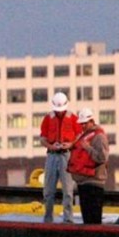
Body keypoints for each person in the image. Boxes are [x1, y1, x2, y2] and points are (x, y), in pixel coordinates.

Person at [38, 92, 80, 223]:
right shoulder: (48, 118)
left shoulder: (73, 118)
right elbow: (42, 139)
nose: (60, 112)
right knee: (48, 190)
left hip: (67, 155)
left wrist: (71, 144)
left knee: (68, 190)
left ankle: (68, 219)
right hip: (52, 155)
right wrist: (51, 146)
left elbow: (79, 136)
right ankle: (48, 219)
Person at [67, 108, 108, 224]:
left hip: (94, 183)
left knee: (94, 220)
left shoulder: (99, 137)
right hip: (83, 182)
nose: (83, 126)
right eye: (81, 124)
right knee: (87, 220)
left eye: (85, 123)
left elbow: (102, 158)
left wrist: (88, 148)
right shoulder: (83, 136)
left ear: (92, 121)